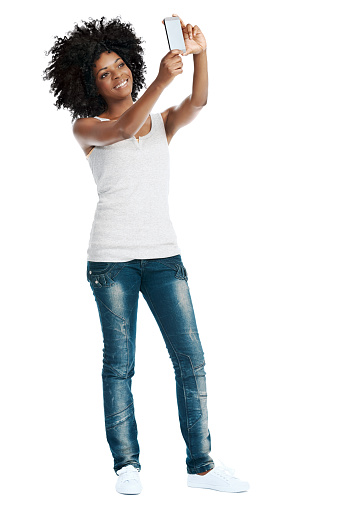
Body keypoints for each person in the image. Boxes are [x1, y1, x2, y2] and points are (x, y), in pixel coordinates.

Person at [43, 14, 250, 496]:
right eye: (104, 73)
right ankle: (126, 465)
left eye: (120, 65)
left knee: (191, 359)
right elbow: (121, 131)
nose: (118, 75)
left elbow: (198, 100)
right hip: (111, 261)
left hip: (164, 257)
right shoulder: (87, 128)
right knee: (120, 364)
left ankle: (201, 466)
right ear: (87, 84)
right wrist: (161, 78)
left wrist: (201, 54)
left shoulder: (160, 123)